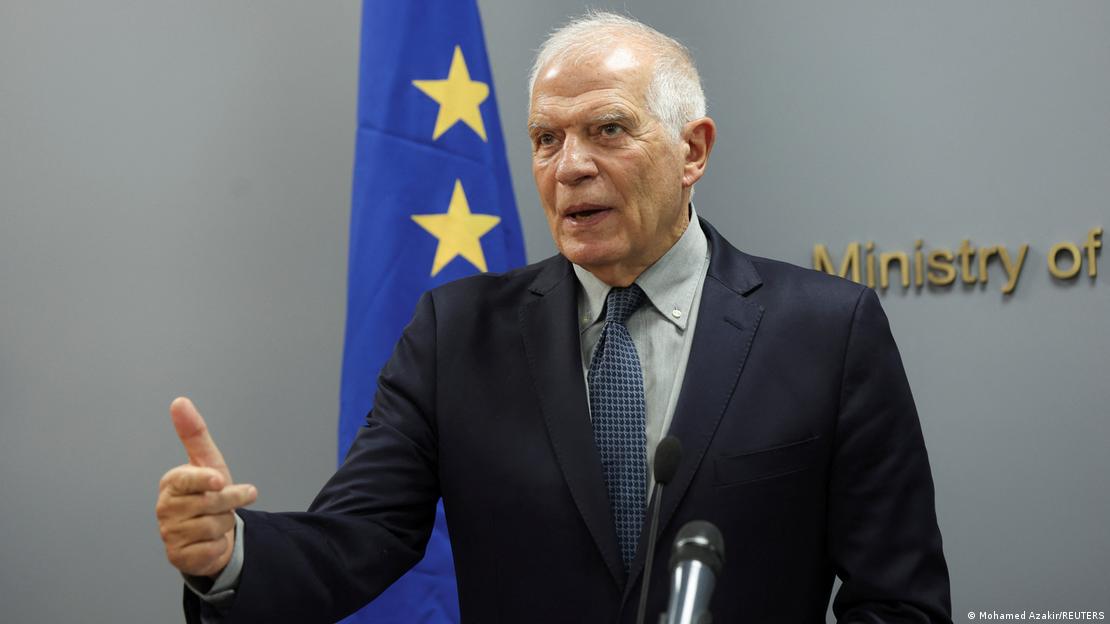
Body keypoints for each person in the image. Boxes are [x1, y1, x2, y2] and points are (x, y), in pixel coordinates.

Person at [156, 12, 952, 623]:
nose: (570, 166)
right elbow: (355, 542)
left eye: (607, 129)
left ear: (693, 151)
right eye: (546, 138)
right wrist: (231, 556)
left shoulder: (826, 331)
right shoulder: (454, 337)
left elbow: (899, 600)